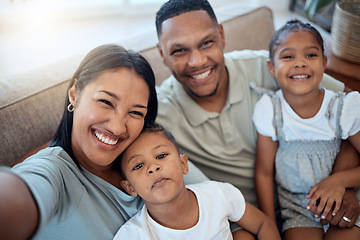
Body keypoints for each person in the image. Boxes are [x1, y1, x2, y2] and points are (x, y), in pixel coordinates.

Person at [154, 0, 360, 228]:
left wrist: (344, 183)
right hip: (258, 222)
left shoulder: (271, 66)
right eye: (179, 50)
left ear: (221, 35)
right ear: (162, 54)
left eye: (206, 43)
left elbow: (350, 108)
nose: (197, 61)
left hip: (325, 196)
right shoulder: (158, 114)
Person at [0, 44, 164, 239]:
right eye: (105, 102)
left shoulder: (153, 154)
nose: (118, 127)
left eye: (136, 112)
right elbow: (17, 193)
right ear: (74, 94)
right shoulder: (53, 173)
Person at [253, 19, 360, 239]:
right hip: (298, 208)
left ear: (324, 63)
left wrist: (339, 181)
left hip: (345, 199)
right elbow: (263, 172)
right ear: (271, 67)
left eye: (310, 55)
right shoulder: (270, 109)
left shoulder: (345, 107)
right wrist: (270, 226)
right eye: (288, 56)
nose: (300, 63)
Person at [113, 123, 281, 240]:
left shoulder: (218, 194)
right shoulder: (133, 235)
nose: (153, 167)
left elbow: (262, 224)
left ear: (183, 164)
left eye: (161, 156)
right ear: (130, 188)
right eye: (139, 165)